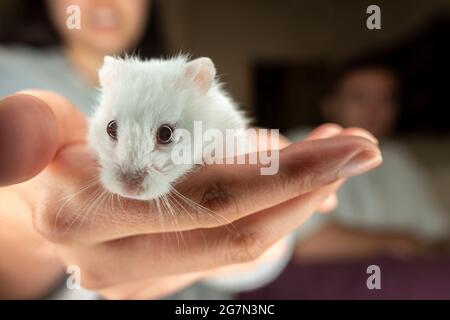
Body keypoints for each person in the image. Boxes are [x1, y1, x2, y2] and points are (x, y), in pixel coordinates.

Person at [0, 0, 382, 299]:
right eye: (114, 130)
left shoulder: (187, 86)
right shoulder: (12, 70)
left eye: (164, 135)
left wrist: (254, 245)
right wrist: (28, 240)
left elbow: (282, 242)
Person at [292, 59, 449, 263]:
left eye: (385, 99)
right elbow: (306, 243)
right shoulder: (304, 145)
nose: (373, 109)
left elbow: (437, 235)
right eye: (359, 97)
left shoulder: (399, 159)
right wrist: (398, 242)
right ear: (330, 105)